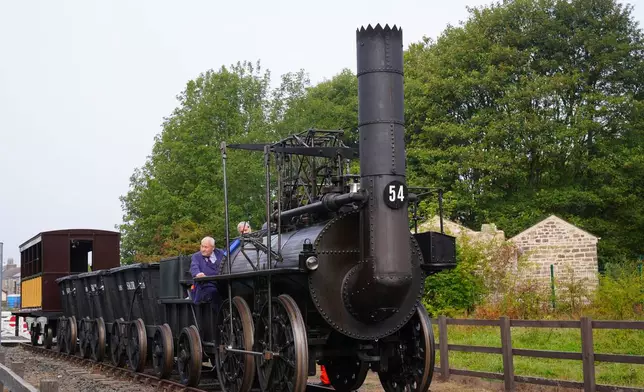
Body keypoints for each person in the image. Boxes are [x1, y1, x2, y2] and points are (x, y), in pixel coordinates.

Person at [189, 236, 225, 311]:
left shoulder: (220, 253)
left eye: (206, 247)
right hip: (205, 285)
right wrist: (198, 274)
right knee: (213, 292)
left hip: (221, 283)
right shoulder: (196, 257)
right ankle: (221, 315)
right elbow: (194, 267)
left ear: (213, 247)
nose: (203, 249)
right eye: (202, 246)